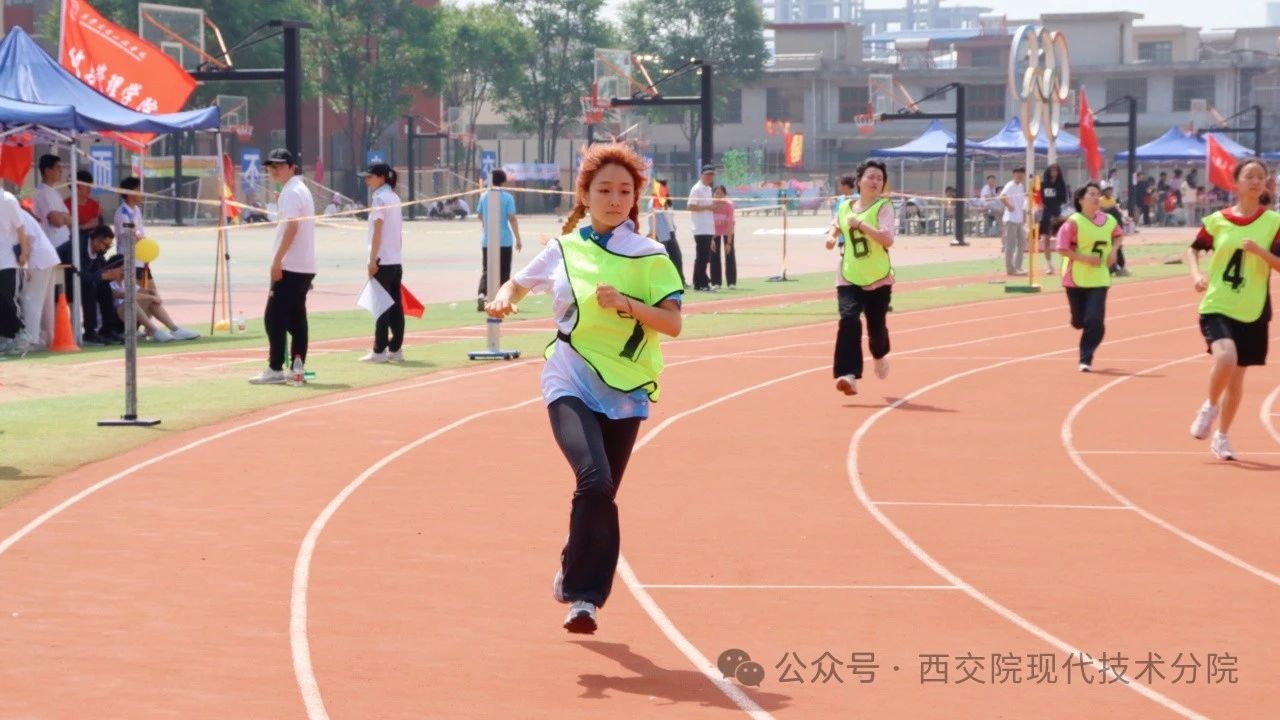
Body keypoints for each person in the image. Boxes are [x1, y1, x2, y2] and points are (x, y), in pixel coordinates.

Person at [484, 143, 682, 634]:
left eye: (624, 191)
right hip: (569, 375)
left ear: (635, 198)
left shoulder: (651, 256)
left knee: (600, 493)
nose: (614, 199)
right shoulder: (564, 249)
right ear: (585, 195)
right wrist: (503, 298)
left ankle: (573, 563)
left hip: (626, 387)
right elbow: (518, 284)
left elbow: (673, 324)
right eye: (604, 190)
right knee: (594, 480)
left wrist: (628, 304)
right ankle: (585, 599)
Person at [1187, 157, 1280, 461]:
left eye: (1260, 177)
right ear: (1235, 182)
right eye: (1249, 176)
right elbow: (1194, 249)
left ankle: (1222, 437)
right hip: (1218, 303)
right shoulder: (1218, 220)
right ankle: (1210, 405)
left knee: (1238, 377)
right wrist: (1196, 275)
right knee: (1226, 358)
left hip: (1253, 307)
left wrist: (1260, 252)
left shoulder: (1273, 222)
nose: (1255, 181)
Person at [825, 160, 896, 396]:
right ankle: (848, 374)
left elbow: (887, 239)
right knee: (849, 320)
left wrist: (863, 225)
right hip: (849, 274)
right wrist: (831, 236)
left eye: (879, 178)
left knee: (876, 327)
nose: (875, 181)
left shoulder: (884, 207)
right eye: (870, 176)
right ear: (858, 181)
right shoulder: (845, 206)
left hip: (877, 276)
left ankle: (879, 355)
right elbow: (837, 224)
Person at [250, 148, 317, 384]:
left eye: (279, 166)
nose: (274, 170)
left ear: (291, 167)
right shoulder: (299, 189)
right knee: (296, 319)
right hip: (304, 265)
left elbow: (292, 227)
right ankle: (297, 367)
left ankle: (275, 368)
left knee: (274, 317)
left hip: (291, 265)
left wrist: (277, 260)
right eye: (271, 167)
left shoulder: (291, 191)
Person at [112, 178, 199, 342]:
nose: (142, 193)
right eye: (138, 189)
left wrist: (146, 256)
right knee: (140, 296)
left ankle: (161, 329)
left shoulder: (137, 211)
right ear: (129, 193)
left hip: (142, 260)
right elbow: (132, 237)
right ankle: (151, 329)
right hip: (129, 263)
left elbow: (141, 236)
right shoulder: (122, 214)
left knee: (153, 294)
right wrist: (141, 241)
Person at [1055, 183, 1123, 373]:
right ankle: (1078, 321)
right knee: (1079, 321)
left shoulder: (1109, 220)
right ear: (1081, 199)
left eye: (1097, 194)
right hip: (1075, 278)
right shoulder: (1073, 222)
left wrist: (1114, 251)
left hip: (1100, 278)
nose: (1095, 198)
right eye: (1091, 194)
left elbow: (1118, 235)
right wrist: (1085, 259)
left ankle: (1086, 359)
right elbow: (1062, 248)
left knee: (1095, 321)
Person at [358, 163, 406, 363]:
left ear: (381, 177)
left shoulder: (379, 198)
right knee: (396, 307)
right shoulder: (394, 197)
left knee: (382, 307)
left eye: (370, 177)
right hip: (395, 260)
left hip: (382, 260)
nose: (367, 181)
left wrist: (372, 260)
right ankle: (396, 349)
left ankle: (379, 351)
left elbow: (377, 232)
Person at [475, 169, 522, 311]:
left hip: (487, 240)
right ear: (503, 182)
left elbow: (479, 215)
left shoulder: (484, 196)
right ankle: (501, 300)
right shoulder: (507, 198)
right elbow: (512, 218)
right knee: (504, 272)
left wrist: (486, 223)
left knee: (487, 270)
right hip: (504, 241)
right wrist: (518, 238)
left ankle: (482, 294)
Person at [0, 189, 29, 353]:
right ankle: (6, 337)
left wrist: (24, 252)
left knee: (8, 298)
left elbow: (20, 228)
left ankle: (21, 332)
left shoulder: (8, 199)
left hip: (8, 260)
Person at [687, 164, 717, 291]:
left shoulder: (708, 189)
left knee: (703, 257)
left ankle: (698, 283)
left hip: (707, 228)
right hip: (700, 228)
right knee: (702, 257)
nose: (710, 177)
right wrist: (707, 207)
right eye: (707, 174)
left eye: (711, 175)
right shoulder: (696, 189)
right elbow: (690, 206)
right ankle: (703, 283)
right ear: (702, 175)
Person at [652, 179, 685, 288]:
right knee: (663, 258)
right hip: (661, 234)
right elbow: (653, 218)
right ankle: (663, 282)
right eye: (664, 187)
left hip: (671, 232)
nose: (666, 189)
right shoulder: (655, 201)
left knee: (677, 256)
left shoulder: (668, 201)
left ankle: (680, 281)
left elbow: (670, 216)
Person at [1039, 164, 1068, 275]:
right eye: (1052, 170)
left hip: (1058, 213)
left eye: (1056, 170)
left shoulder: (1061, 184)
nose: (1054, 172)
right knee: (1046, 239)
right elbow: (1039, 198)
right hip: (1046, 214)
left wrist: (1059, 213)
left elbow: (1064, 199)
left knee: (1063, 239)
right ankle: (1050, 266)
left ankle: (1066, 264)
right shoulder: (1043, 184)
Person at [999, 167, 1028, 276]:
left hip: (1019, 219)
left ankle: (1017, 266)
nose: (1020, 176)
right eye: (1017, 173)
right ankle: (1010, 268)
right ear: (1014, 174)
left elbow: (1022, 201)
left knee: (1022, 243)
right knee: (1010, 244)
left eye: (1021, 174)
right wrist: (1008, 205)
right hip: (1010, 219)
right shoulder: (1010, 185)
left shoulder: (1021, 186)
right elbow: (1002, 196)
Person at [711, 185, 737, 289]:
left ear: (725, 195)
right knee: (714, 255)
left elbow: (730, 224)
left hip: (727, 232)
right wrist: (711, 240)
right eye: (716, 193)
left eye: (721, 193)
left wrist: (729, 243)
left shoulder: (729, 205)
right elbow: (708, 223)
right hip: (714, 232)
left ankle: (731, 282)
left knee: (729, 254)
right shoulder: (710, 205)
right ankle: (716, 282)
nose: (718, 196)